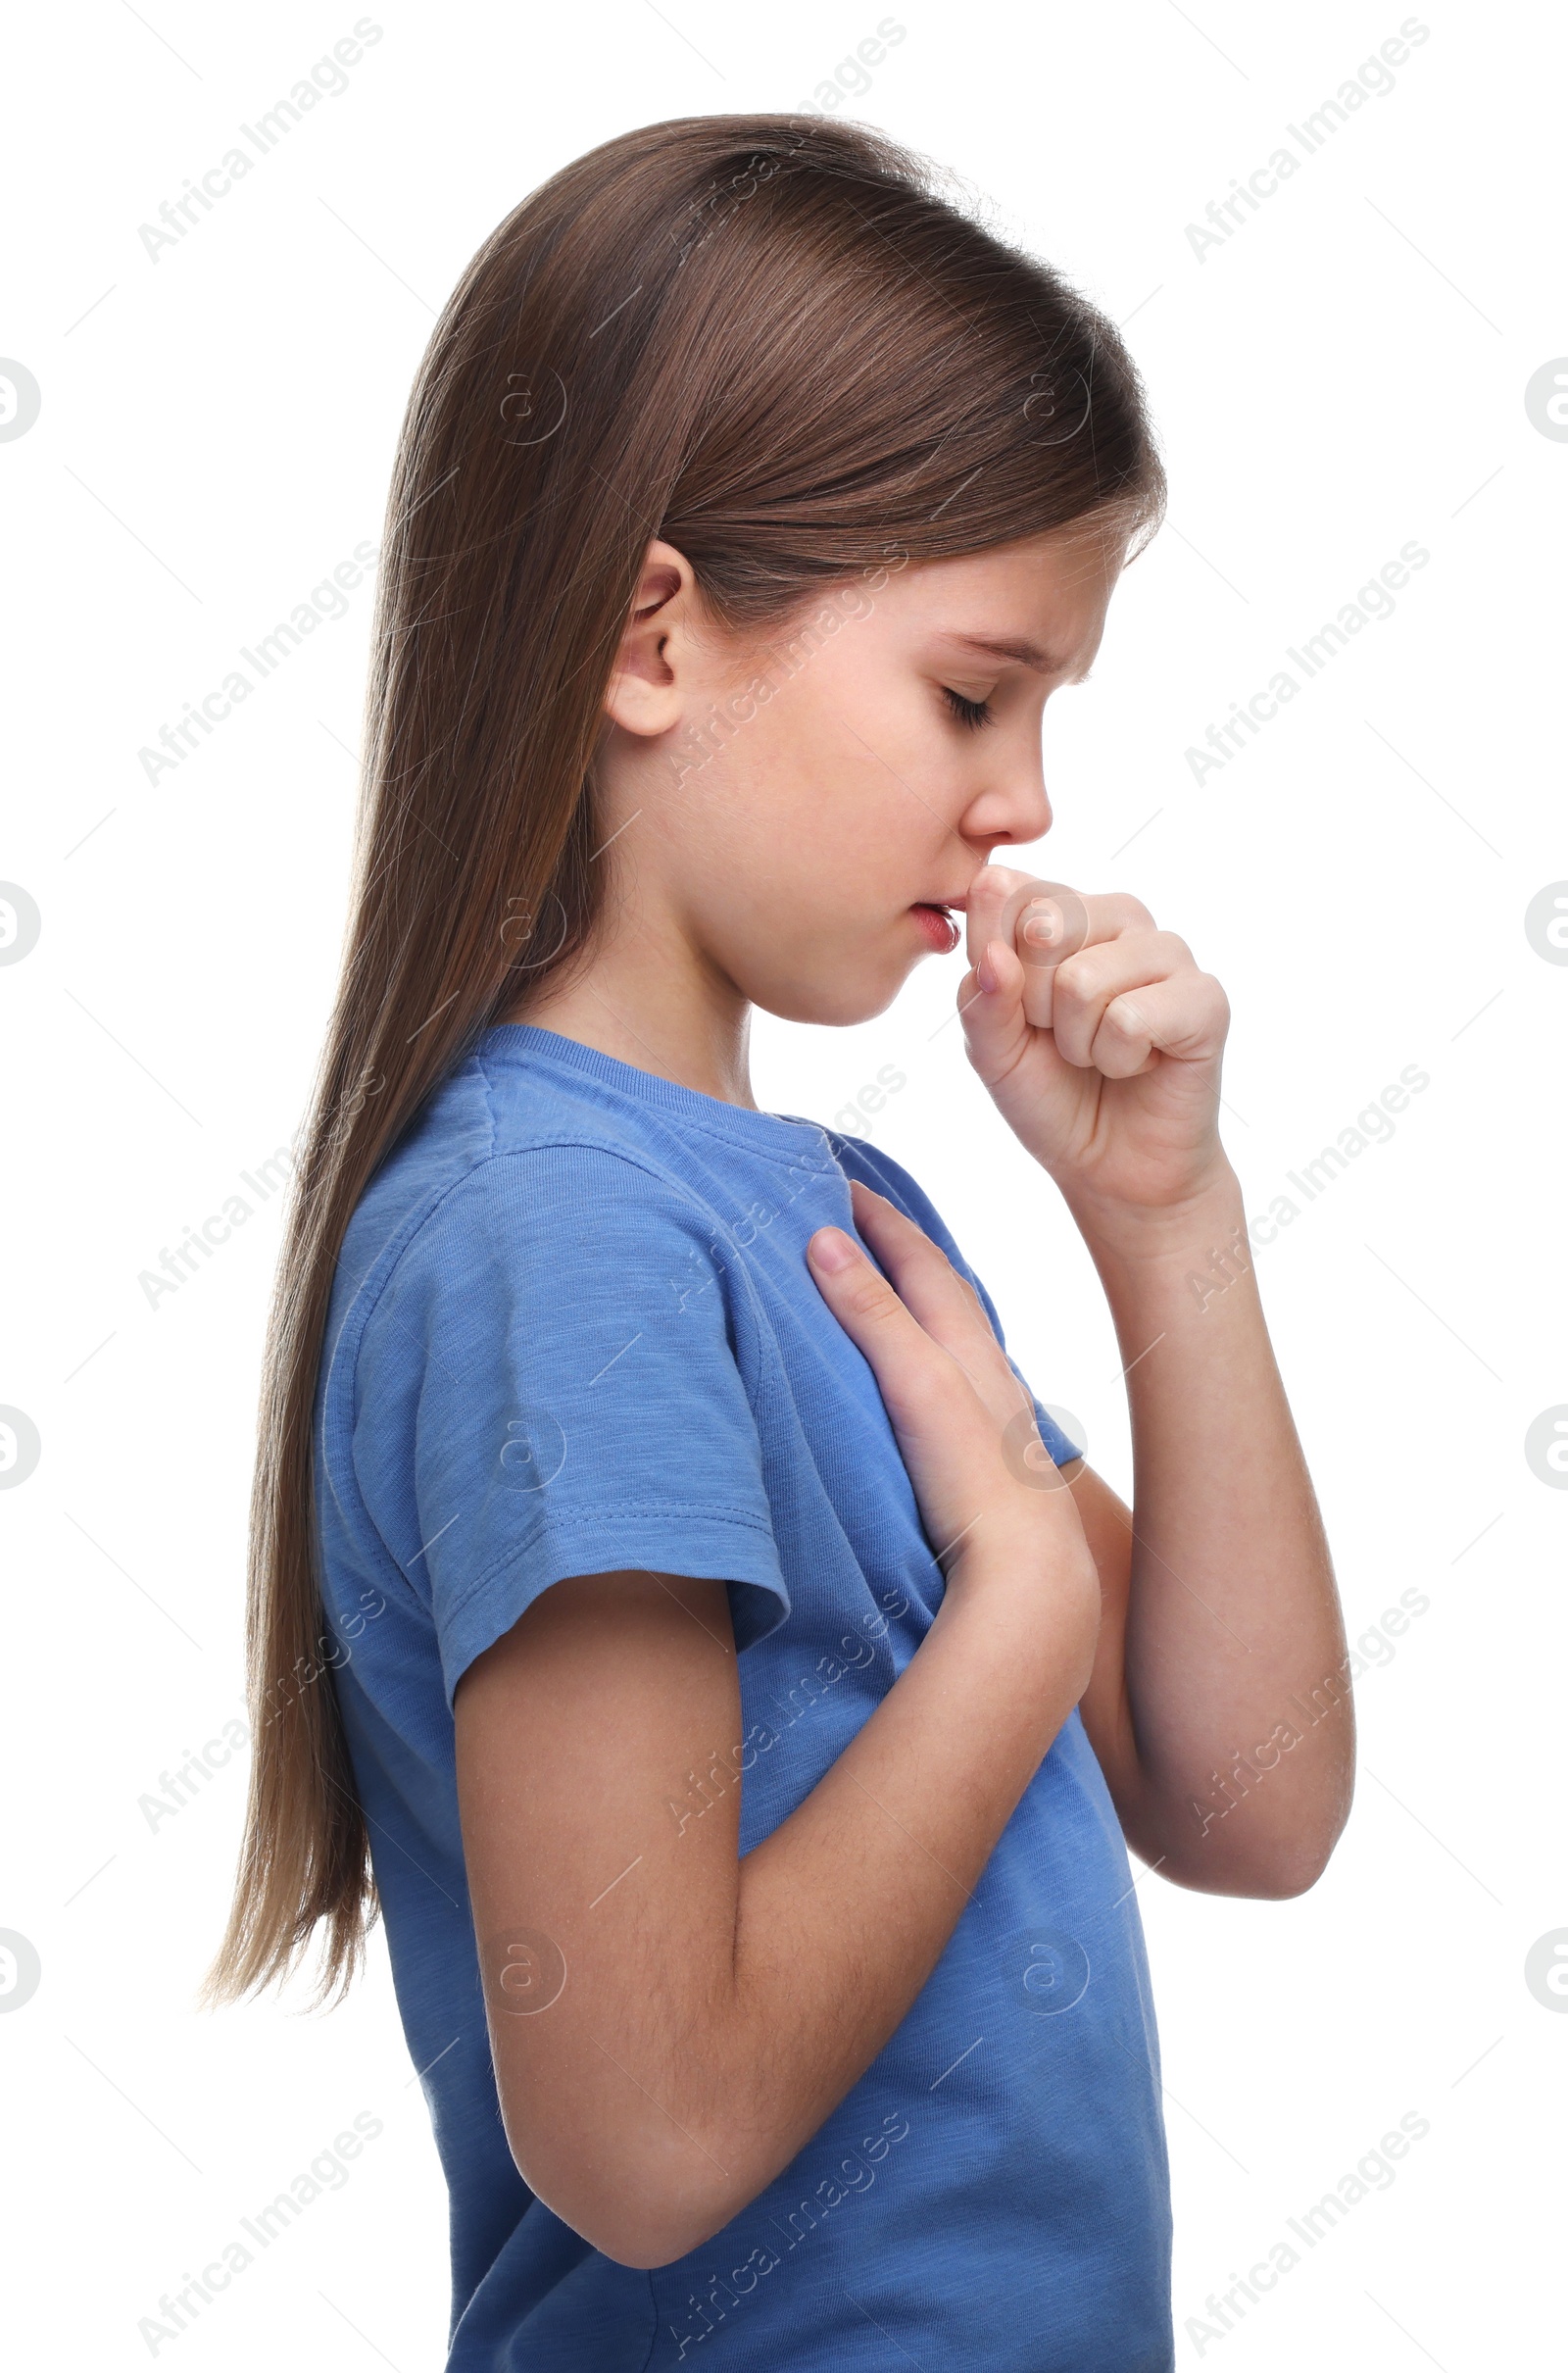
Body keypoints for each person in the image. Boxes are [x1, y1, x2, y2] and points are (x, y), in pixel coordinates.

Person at [204, 112, 1354, 2370]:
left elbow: (1248, 1794)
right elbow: (642, 2129)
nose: (1021, 795)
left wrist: (1162, 1218)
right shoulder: (558, 1244)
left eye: (1043, 713)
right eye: (967, 690)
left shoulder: (836, 1217)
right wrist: (1011, 1607)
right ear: (656, 637)